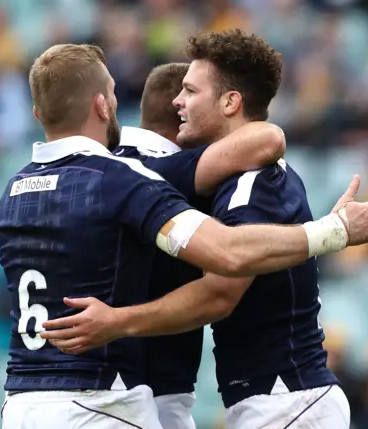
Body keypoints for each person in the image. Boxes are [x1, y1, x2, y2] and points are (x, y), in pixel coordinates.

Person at [40, 32, 368, 429]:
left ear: (230, 102)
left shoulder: (252, 183)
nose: (179, 101)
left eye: (191, 91)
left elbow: (220, 293)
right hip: (275, 399)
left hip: (286, 399)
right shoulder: (230, 179)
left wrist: (117, 321)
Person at [120, 63, 288, 429]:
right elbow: (268, 139)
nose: (186, 100)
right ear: (180, 115)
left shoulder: (97, 168)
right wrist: (330, 234)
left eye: (192, 92)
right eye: (185, 94)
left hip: (66, 389)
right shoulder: (173, 171)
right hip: (156, 398)